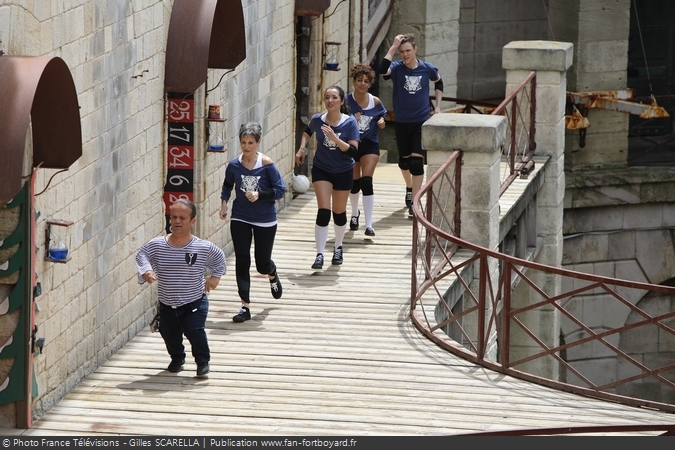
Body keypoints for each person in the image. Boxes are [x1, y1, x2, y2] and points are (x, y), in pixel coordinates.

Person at [136, 199, 226, 377]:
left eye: (182, 218)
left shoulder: (202, 247)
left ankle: (202, 362)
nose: (177, 221)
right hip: (167, 303)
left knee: (194, 330)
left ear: (192, 221)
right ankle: (177, 358)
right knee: (169, 333)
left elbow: (219, 259)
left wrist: (215, 277)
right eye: (174, 217)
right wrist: (146, 270)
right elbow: (142, 255)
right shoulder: (158, 245)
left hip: (194, 301)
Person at [220, 122, 286, 323]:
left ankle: (272, 273)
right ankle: (244, 306)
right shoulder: (234, 165)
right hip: (240, 216)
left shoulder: (266, 165)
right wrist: (224, 203)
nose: (246, 146)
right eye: (243, 142)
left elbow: (280, 190)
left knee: (261, 264)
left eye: (250, 142)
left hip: (265, 219)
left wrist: (260, 194)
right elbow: (227, 184)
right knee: (242, 259)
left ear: (258, 142)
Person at [295, 86, 360, 269]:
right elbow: (308, 130)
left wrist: (334, 138)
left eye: (334, 97)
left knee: (338, 212)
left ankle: (338, 247)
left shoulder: (350, 123)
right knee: (324, 211)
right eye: (327, 97)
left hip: (343, 170)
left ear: (341, 101)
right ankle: (319, 254)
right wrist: (302, 147)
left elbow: (353, 152)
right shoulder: (318, 120)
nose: (330, 101)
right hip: (322, 169)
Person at [379, 33, 443, 216]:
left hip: (420, 121)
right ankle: (409, 188)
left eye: (408, 51)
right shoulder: (397, 68)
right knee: (404, 161)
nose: (405, 55)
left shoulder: (427, 69)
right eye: (401, 52)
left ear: (415, 50)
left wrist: (437, 107)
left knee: (416, 163)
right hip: (402, 121)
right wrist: (393, 46)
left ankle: (415, 202)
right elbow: (382, 70)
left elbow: (439, 82)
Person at [346, 63, 387, 237]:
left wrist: (381, 122)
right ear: (354, 81)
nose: (362, 83)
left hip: (370, 144)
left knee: (366, 181)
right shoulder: (346, 101)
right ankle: (355, 213)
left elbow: (382, 115)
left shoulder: (375, 101)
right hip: (352, 144)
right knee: (354, 184)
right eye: (359, 80)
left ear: (370, 84)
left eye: (366, 81)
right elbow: (337, 120)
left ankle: (369, 224)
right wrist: (350, 118)